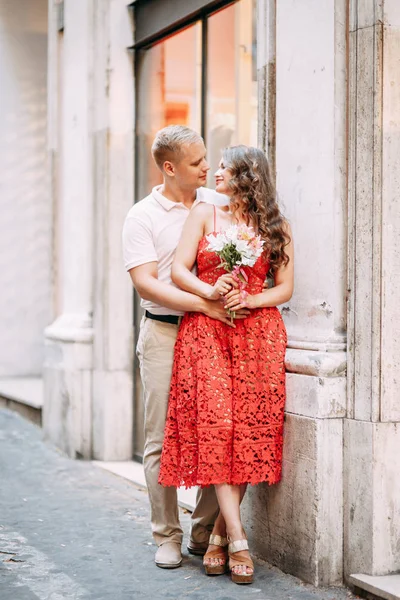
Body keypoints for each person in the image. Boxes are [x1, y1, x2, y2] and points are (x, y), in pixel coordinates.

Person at [158, 145, 294, 584]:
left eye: (224, 167)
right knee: (217, 427)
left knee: (249, 431)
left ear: (247, 176)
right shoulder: (203, 214)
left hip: (258, 336)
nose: (214, 172)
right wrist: (210, 290)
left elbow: (285, 288)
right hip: (207, 333)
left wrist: (252, 298)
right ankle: (238, 537)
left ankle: (217, 536)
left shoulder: (278, 228)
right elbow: (178, 270)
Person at [122, 126, 249, 570]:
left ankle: (202, 532)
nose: (206, 168)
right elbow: (145, 283)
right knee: (160, 438)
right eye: (197, 163)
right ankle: (167, 535)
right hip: (164, 333)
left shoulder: (218, 205)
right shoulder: (142, 216)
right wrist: (206, 303)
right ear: (170, 168)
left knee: (219, 433)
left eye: (206, 159)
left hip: (216, 336)